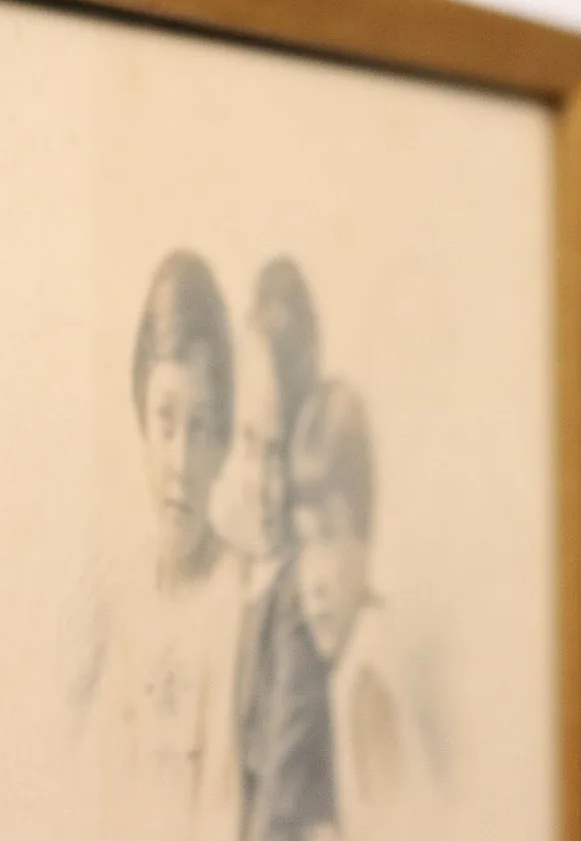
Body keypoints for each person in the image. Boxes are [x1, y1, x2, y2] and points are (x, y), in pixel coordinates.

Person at [91, 250, 245, 841]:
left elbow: (222, 812)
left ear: (223, 441)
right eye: (166, 421)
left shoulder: (235, 600)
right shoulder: (129, 597)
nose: (181, 461)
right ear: (141, 420)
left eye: (202, 427)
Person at [220, 259, 336, 841]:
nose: (262, 487)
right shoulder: (245, 577)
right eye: (248, 442)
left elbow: (279, 808)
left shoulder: (301, 601)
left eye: (279, 452)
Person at [288, 380, 430, 841]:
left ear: (365, 541)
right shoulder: (357, 655)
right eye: (303, 545)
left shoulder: (367, 679)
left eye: (329, 536)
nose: (314, 581)